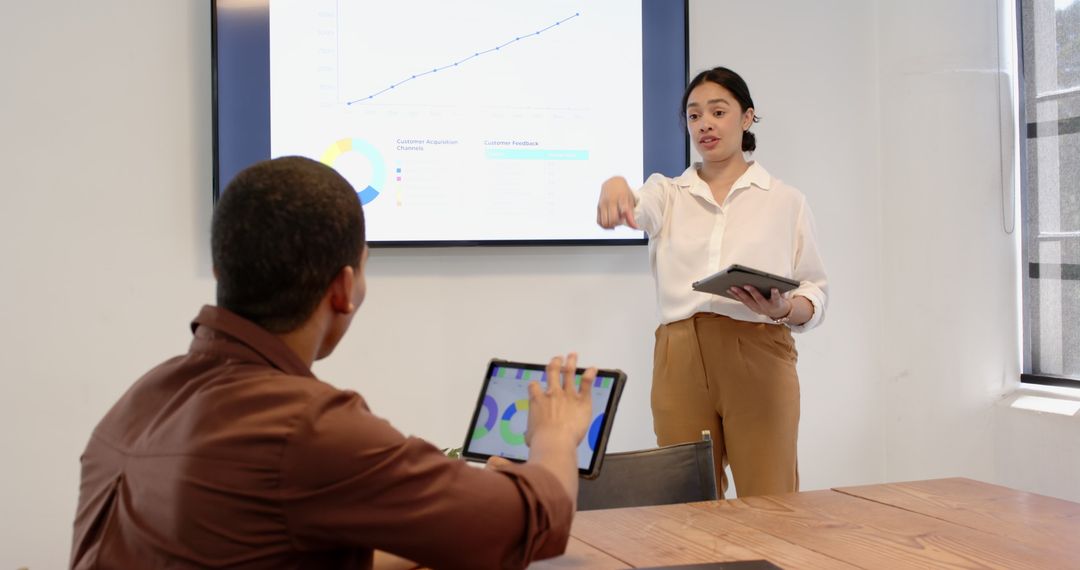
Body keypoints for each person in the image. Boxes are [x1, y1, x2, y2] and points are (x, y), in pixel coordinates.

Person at [71, 156, 596, 569]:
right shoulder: (303, 426)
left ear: (220, 267)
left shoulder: (144, 395)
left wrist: (432, 525)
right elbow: (534, 526)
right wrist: (552, 436)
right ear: (344, 288)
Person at [596, 66, 828, 498]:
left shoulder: (784, 200)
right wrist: (615, 185)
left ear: (746, 118)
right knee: (684, 501)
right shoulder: (666, 192)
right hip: (679, 354)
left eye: (718, 111)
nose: (704, 123)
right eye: (694, 115)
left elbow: (814, 290)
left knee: (770, 501)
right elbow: (637, 209)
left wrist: (784, 308)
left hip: (759, 351)